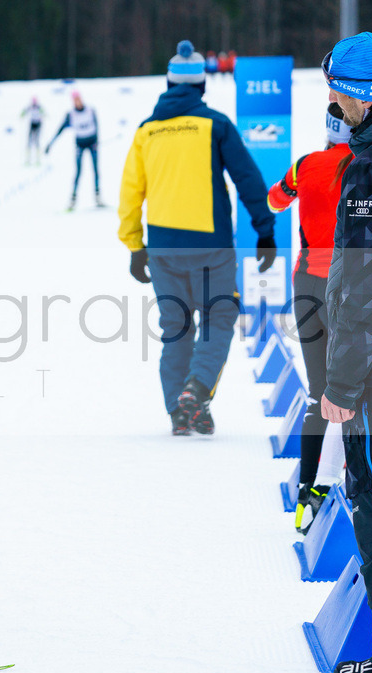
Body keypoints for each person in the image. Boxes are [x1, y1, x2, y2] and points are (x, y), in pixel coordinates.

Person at [118, 40, 276, 436]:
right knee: (220, 317)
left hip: (164, 247)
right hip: (211, 244)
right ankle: (197, 389)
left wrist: (135, 245)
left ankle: (181, 408)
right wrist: (265, 231)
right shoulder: (215, 125)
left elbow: (130, 192)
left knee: (176, 328)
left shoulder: (146, 131)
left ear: (169, 84)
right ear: (201, 85)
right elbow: (248, 178)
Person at [317, 32, 372, 673]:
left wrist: (340, 381)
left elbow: (359, 288)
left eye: (335, 85)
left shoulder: (371, 168)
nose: (331, 98)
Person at [267, 102, 354, 533]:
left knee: (317, 392)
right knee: (349, 392)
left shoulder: (305, 165)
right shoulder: (362, 165)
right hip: (347, 287)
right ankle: (333, 485)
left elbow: (275, 199)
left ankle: (306, 494)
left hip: (305, 284)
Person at [46, 90, 104, 210]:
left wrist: (97, 141)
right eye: (74, 100)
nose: (77, 101)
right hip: (80, 145)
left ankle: (98, 197)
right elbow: (60, 130)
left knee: (96, 170)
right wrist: (50, 144)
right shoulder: (71, 114)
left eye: (78, 99)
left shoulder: (90, 110)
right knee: (78, 172)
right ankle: (73, 199)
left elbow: (96, 126)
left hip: (92, 143)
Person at [21, 97, 44, 165]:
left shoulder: (39, 107)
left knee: (36, 141)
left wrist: (44, 114)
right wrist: (22, 114)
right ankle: (28, 159)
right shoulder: (30, 107)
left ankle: (38, 159)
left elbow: (43, 112)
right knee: (29, 141)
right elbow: (24, 111)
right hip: (32, 124)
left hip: (38, 124)